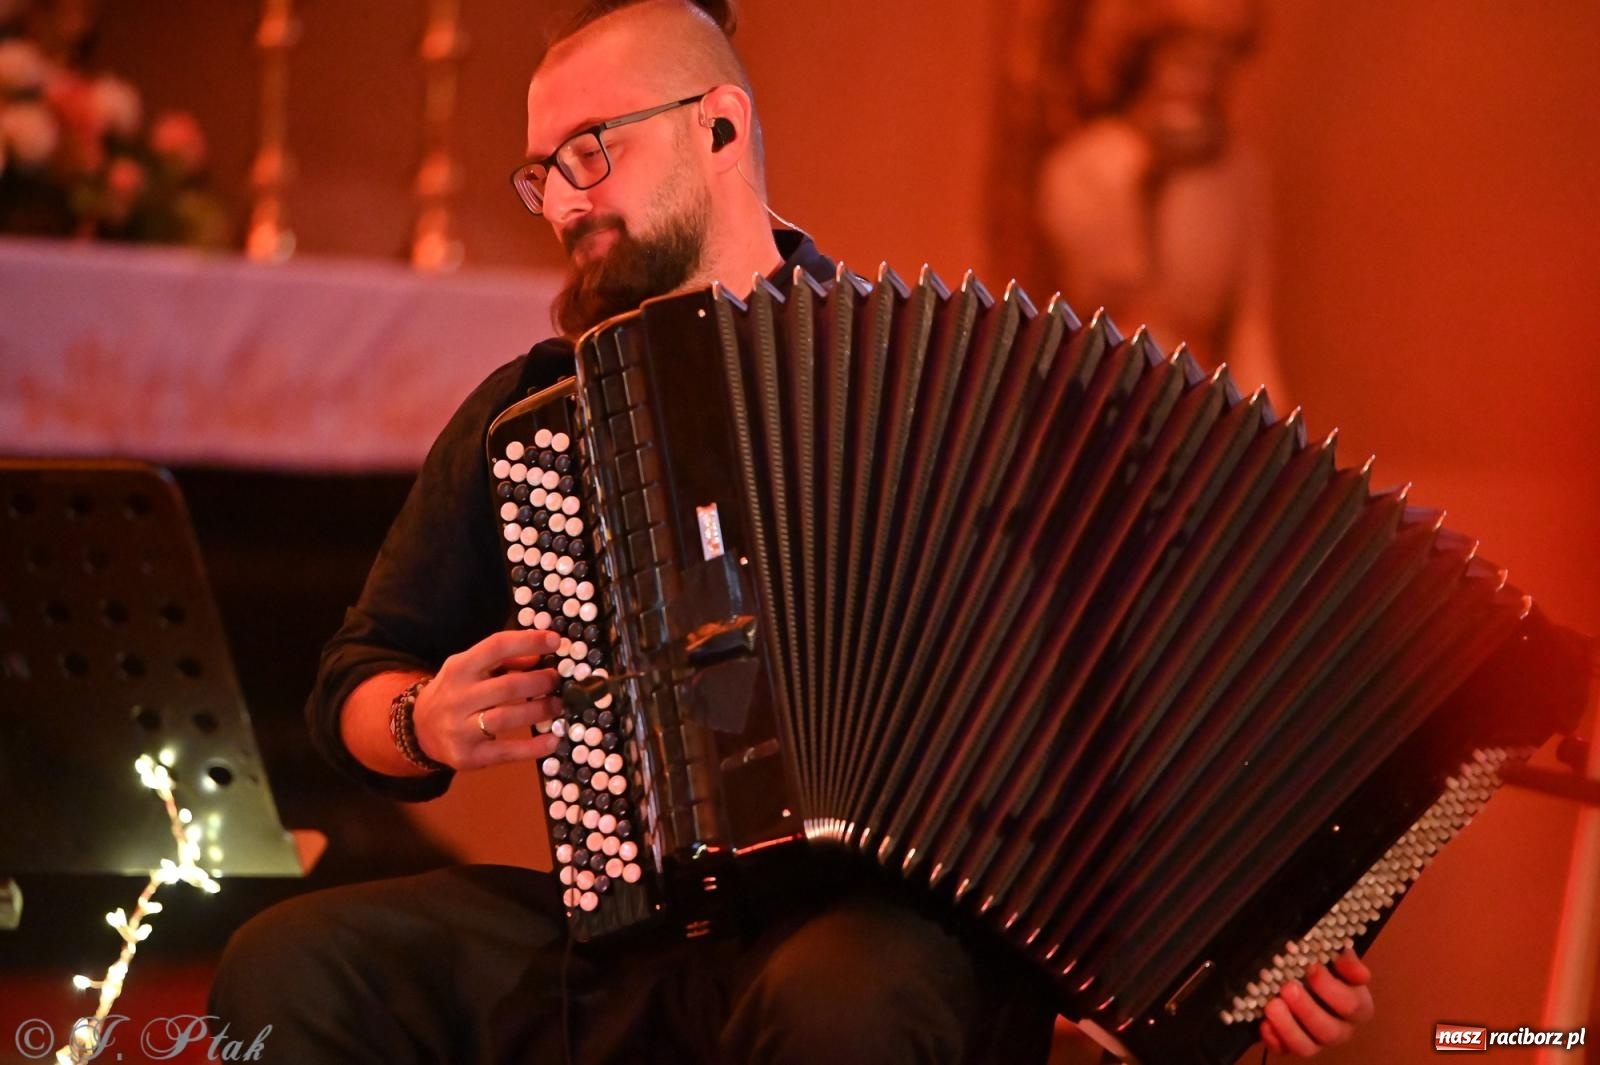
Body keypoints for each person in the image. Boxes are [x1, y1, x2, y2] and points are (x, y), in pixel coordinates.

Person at [208, 1, 1375, 1061]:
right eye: (540, 173)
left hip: (874, 946)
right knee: (292, 963)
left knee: (852, 995)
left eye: (588, 153)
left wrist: (1249, 945)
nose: (563, 200)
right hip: (625, 945)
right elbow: (355, 681)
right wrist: (424, 718)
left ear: (720, 128)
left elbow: (1144, 691)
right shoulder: (537, 411)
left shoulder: (936, 387)